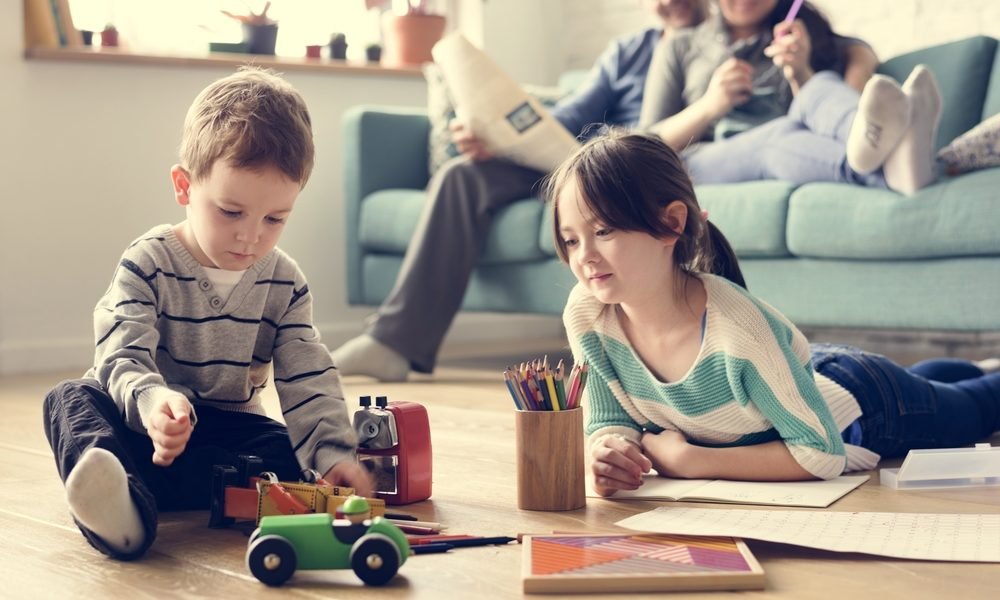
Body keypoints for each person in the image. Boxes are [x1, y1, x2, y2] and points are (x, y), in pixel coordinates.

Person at [545, 130, 1000, 497]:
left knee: (979, 408)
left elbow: (820, 454)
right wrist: (608, 451)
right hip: (798, 379)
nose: (583, 256)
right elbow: (609, 420)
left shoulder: (739, 328)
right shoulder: (588, 315)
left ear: (671, 224)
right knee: (935, 381)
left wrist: (694, 461)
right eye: (570, 239)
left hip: (868, 402)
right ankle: (954, 372)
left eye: (602, 230)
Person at [42, 67, 374, 560]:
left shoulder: (283, 282)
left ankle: (167, 489)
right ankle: (120, 507)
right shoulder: (148, 262)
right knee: (69, 400)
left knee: (289, 451)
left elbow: (307, 373)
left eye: (275, 219)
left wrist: (332, 455)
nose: (251, 237)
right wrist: (154, 403)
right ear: (184, 186)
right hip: (140, 424)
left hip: (223, 429)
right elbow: (121, 355)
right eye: (231, 212)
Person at [332, 0, 710, 382]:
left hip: (629, 179)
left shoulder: (714, 48)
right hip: (571, 166)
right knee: (462, 175)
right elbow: (568, 117)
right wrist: (500, 139)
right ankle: (393, 342)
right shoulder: (628, 52)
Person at [639, 0, 941, 195]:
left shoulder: (801, 35)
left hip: (794, 140)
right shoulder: (681, 46)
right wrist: (709, 105)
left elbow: (856, 49)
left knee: (818, 85)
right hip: (701, 158)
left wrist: (800, 71)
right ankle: (895, 166)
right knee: (779, 135)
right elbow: (644, 144)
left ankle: (877, 140)